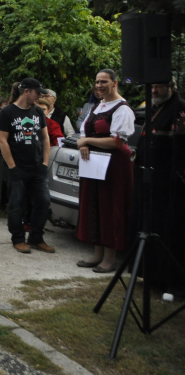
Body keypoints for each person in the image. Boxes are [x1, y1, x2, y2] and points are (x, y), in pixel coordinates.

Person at [75, 69, 135, 273]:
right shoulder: (98, 106)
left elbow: (118, 141)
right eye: (97, 82)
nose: (99, 85)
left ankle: (110, 258)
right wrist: (83, 144)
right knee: (94, 206)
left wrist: (87, 141)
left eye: (104, 82)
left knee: (110, 207)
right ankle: (97, 254)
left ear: (114, 83)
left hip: (114, 165)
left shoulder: (122, 108)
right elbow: (85, 130)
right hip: (94, 163)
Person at [131, 79, 185, 295]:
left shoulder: (180, 108)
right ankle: (152, 276)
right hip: (150, 181)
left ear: (171, 87)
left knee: (170, 232)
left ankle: (173, 281)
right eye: (151, 87)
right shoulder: (154, 106)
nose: (153, 90)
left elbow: (181, 149)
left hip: (170, 186)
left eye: (158, 87)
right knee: (149, 226)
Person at [0, 78, 54, 254]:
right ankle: (18, 238)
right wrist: (12, 166)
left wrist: (44, 163)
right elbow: (3, 141)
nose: (39, 96)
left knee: (43, 202)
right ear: (26, 91)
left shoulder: (38, 112)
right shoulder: (7, 112)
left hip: (37, 168)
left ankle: (36, 238)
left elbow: (45, 138)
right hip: (17, 168)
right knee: (17, 204)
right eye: (37, 92)